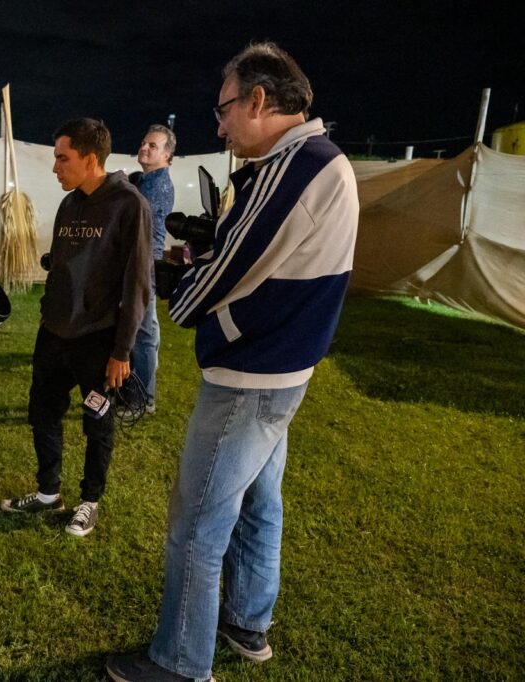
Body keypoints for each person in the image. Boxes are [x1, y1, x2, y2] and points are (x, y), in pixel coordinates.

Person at [106, 42, 359, 682]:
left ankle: (180, 662)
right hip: (285, 367)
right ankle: (246, 622)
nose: (219, 127)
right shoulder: (324, 159)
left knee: (197, 523)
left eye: (223, 111)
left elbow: (216, 279)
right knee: (259, 503)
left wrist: (180, 286)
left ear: (258, 100)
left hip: (251, 372)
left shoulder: (294, 166)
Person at [0, 118, 151, 537]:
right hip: (54, 334)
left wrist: (121, 351)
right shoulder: (69, 205)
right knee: (42, 412)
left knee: (96, 421)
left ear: (89, 158)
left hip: (98, 339)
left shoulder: (129, 204)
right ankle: (48, 492)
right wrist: (49, 311)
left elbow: (138, 283)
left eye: (62, 158)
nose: (55, 167)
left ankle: (89, 502)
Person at [129, 124, 176, 413]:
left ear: (167, 155)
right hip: (141, 261)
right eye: (144, 142)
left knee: (142, 333)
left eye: (153, 146)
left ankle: (143, 398)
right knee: (144, 329)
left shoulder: (157, 185)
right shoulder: (146, 180)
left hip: (143, 263)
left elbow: (134, 223)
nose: (144, 147)